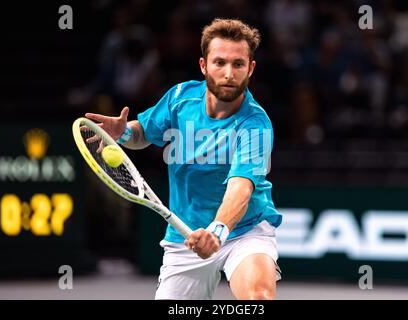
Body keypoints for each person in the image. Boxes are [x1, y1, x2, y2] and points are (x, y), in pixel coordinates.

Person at [85, 18, 282, 300]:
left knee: (259, 299)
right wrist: (124, 133)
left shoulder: (255, 124)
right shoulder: (179, 98)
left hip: (244, 231)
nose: (228, 73)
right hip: (185, 235)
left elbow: (241, 187)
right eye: (219, 62)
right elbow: (146, 133)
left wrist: (217, 232)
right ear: (204, 66)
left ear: (250, 68)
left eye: (238, 64)